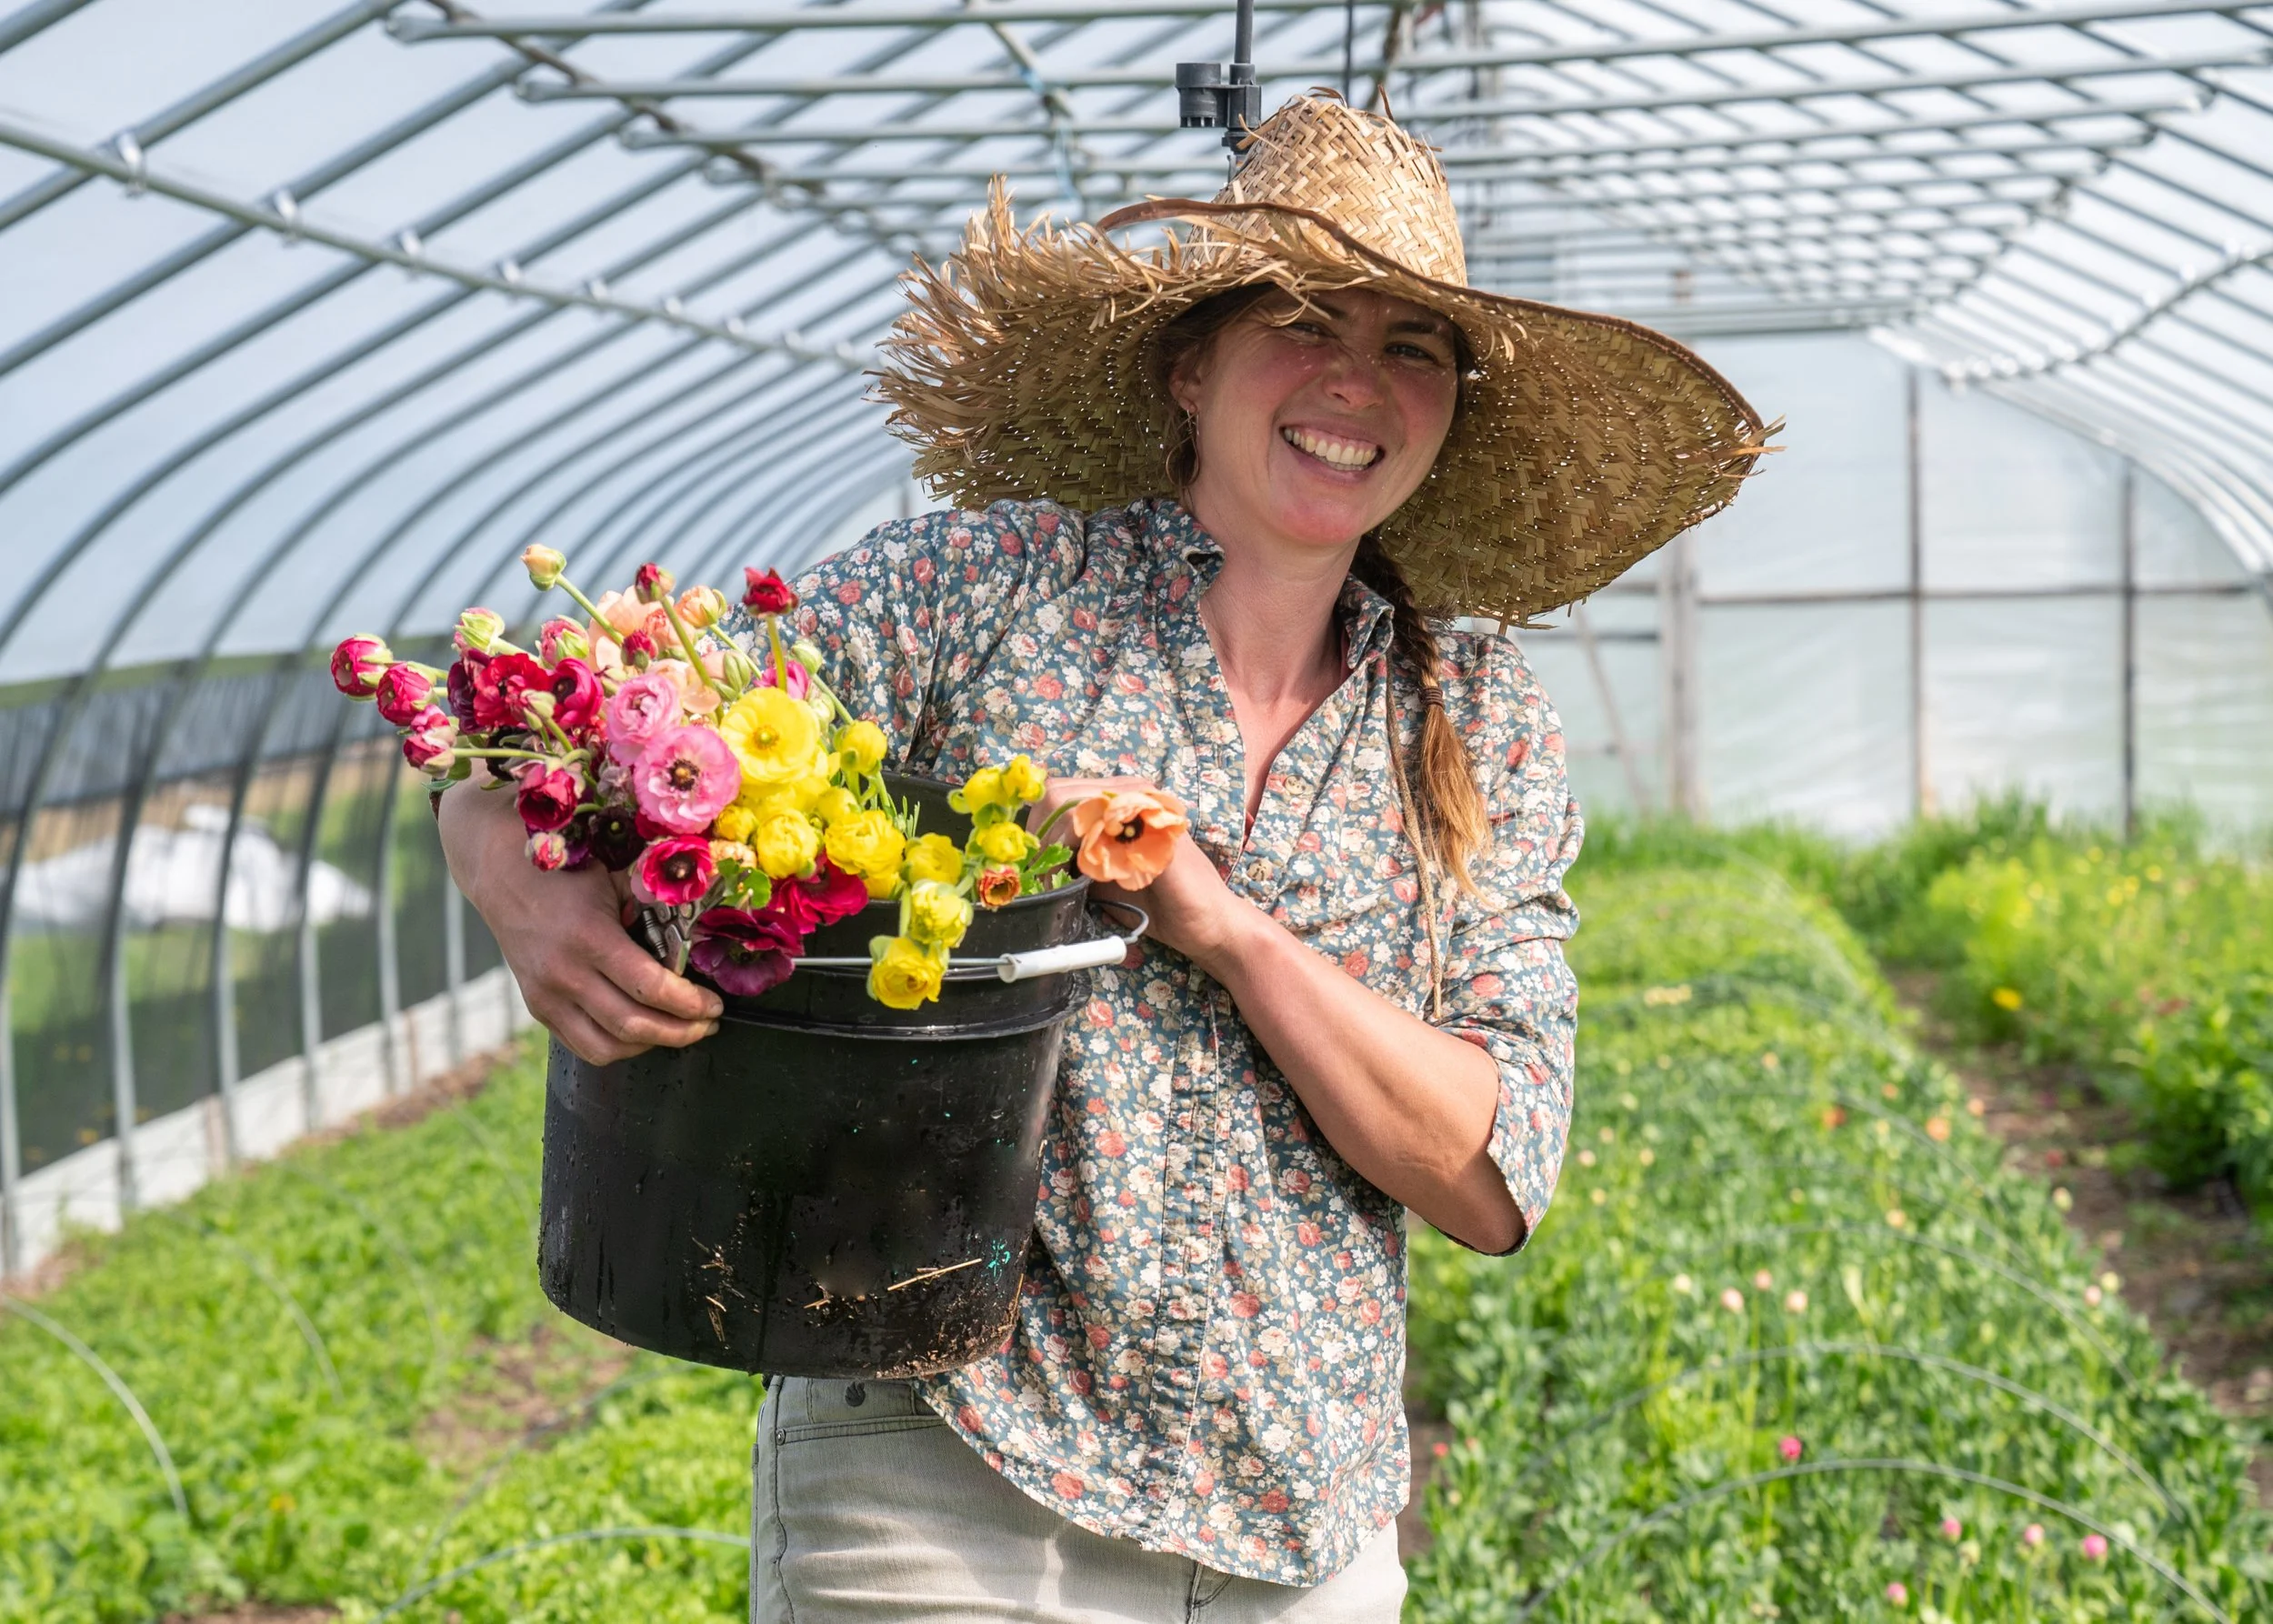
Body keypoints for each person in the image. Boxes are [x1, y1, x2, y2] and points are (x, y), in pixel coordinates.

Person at [439, 94, 1763, 1624]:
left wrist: (1229, 930)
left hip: (1298, 1523)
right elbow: (595, 711)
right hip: (944, 1472)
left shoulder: (1474, 721)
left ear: (1452, 412)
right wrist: (501, 858)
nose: (1356, 382)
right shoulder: (992, 587)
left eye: (1414, 347)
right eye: (1305, 322)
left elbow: (1487, 1167)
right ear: (1189, 363)